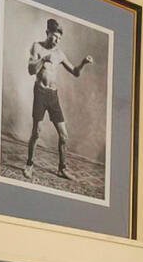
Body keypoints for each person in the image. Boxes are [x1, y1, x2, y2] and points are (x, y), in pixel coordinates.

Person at [22, 17, 93, 172]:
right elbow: (31, 70)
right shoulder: (36, 47)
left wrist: (83, 62)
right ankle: (29, 164)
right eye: (54, 37)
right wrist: (43, 59)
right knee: (36, 132)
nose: (56, 41)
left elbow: (75, 72)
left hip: (53, 96)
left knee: (64, 135)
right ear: (47, 32)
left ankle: (62, 168)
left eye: (59, 39)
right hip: (40, 93)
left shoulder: (59, 54)